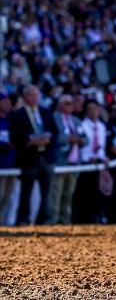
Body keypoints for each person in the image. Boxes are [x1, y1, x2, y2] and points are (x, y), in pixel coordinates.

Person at [9, 85, 58, 225]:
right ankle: (23, 219)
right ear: (24, 97)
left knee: (47, 192)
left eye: (35, 95)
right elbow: (14, 138)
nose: (33, 98)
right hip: (29, 158)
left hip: (46, 157)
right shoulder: (17, 115)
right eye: (30, 95)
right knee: (26, 192)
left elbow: (55, 133)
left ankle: (44, 219)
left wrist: (48, 140)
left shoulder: (46, 112)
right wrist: (30, 142)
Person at [47, 94, 86, 224]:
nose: (70, 106)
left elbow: (86, 138)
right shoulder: (53, 118)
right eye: (67, 103)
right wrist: (68, 139)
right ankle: (53, 219)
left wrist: (80, 140)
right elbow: (51, 136)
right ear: (60, 105)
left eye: (71, 103)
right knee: (55, 193)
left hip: (74, 163)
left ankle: (65, 220)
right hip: (60, 162)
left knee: (69, 194)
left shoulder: (77, 121)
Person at [0, 93, 15, 225]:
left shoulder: (11, 120)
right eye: (5, 102)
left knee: (7, 197)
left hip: (11, 164)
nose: (8, 104)